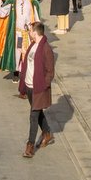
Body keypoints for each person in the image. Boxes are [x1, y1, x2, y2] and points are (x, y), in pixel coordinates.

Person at [19, 22, 55, 159]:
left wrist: (42, 86)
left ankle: (30, 146)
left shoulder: (46, 49)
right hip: (29, 86)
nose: (29, 33)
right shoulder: (33, 45)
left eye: (30, 31)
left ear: (35, 32)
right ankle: (47, 133)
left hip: (38, 88)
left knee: (33, 116)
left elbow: (50, 72)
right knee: (38, 112)